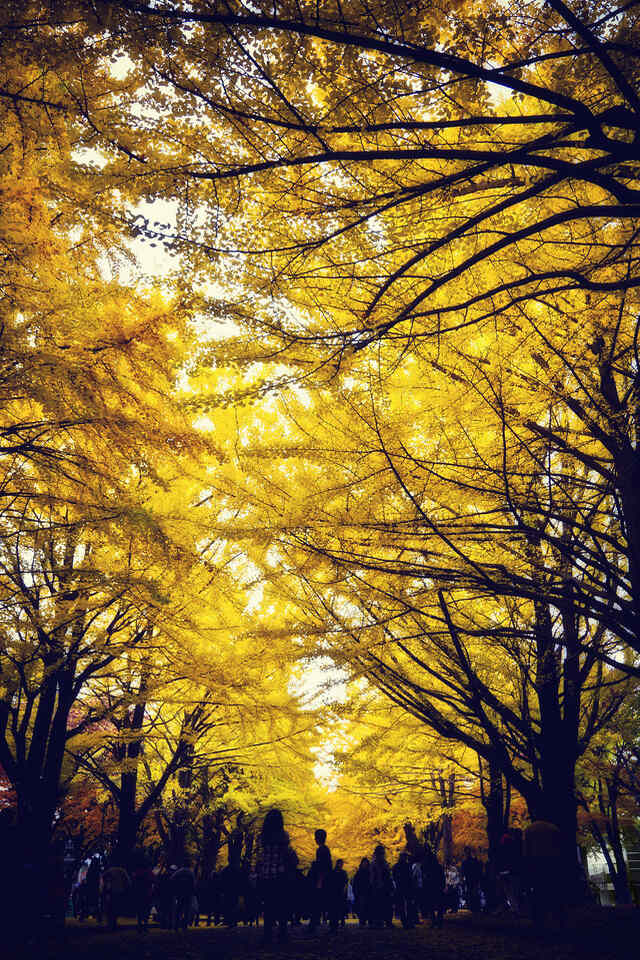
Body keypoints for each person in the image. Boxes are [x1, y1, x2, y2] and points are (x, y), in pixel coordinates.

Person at [256, 807, 296, 945]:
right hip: (281, 874)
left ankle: (267, 935)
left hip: (266, 875)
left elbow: (260, 857)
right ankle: (282, 934)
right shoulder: (283, 836)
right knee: (282, 905)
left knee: (268, 906)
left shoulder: (262, 837)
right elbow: (287, 854)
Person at [523, 819, 564, 928]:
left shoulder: (529, 830)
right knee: (553, 890)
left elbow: (526, 850)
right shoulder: (553, 828)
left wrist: (527, 864)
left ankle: (539, 919)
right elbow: (559, 848)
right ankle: (556, 917)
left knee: (538, 891)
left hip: (536, 863)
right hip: (551, 863)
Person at [307, 828, 332, 932]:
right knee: (319, 902)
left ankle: (313, 924)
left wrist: (319, 881)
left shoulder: (321, 850)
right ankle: (316, 923)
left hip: (321, 879)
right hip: (324, 879)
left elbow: (322, 867)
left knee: (317, 902)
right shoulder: (325, 849)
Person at [101, 860, 131, 930]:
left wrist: (106, 885)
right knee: (116, 907)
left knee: (111, 906)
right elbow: (128, 881)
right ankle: (113, 921)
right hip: (119, 891)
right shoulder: (122, 871)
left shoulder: (110, 870)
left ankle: (111, 922)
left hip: (111, 891)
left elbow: (104, 877)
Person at [370, 844, 394, 928]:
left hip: (382, 887)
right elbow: (373, 876)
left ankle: (383, 921)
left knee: (384, 905)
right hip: (379, 887)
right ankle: (381, 922)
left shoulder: (382, 863)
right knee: (381, 905)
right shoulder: (377, 863)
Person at [422, 846, 445, 928]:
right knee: (439, 906)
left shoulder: (426, 867)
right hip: (437, 888)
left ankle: (434, 921)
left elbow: (425, 878)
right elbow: (442, 878)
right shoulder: (438, 867)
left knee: (431, 905)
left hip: (430, 888)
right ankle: (438, 921)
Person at [131, 852, 155, 931]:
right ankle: (144, 923)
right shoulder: (148, 872)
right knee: (145, 909)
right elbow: (153, 880)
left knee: (140, 908)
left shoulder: (137, 872)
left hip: (140, 892)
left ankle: (140, 924)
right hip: (146, 893)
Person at [171, 859, 196, 931]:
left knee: (178, 909)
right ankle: (184, 925)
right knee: (187, 910)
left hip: (180, 893)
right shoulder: (190, 872)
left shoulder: (179, 871)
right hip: (188, 893)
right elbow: (194, 883)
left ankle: (176, 925)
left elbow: (172, 879)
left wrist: (176, 888)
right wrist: (193, 891)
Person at [392, 851, 415, 928]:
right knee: (406, 905)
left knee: (405, 905)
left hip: (403, 887)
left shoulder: (398, 866)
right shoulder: (406, 866)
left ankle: (406, 921)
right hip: (404, 887)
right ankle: (407, 922)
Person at [328, 859, 348, 929]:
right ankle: (334, 922)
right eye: (340, 863)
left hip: (340, 892)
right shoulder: (334, 872)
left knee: (340, 907)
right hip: (334, 892)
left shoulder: (343, 872)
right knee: (335, 908)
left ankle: (340, 921)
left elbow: (346, 882)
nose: (341, 865)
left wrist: (344, 890)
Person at [461, 846, 482, 912]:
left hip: (472, 879)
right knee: (472, 893)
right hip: (470, 879)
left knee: (473, 893)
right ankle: (474, 907)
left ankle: (475, 907)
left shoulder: (470, 861)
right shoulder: (467, 862)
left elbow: (477, 869)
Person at [352, 857, 372, 927]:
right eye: (364, 862)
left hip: (369, 892)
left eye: (366, 863)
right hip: (361, 892)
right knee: (362, 907)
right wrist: (356, 892)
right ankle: (362, 922)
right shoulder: (359, 872)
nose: (365, 864)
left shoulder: (370, 872)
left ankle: (369, 921)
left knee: (369, 907)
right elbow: (355, 883)